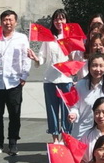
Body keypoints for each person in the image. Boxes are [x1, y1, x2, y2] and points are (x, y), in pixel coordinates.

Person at [0, 10, 31, 157]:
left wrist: (24, 75)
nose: (7, 23)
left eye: (10, 20)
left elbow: (26, 58)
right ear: (1, 22)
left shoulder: (21, 38)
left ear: (15, 22)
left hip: (14, 81)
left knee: (15, 114)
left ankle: (13, 142)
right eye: (5, 20)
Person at [28, 9, 75, 140]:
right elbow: (42, 57)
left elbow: (75, 59)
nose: (59, 22)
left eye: (62, 19)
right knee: (52, 110)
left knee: (67, 110)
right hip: (50, 79)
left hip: (66, 80)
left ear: (66, 20)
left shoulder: (71, 37)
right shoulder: (49, 38)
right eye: (56, 19)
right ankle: (55, 138)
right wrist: (36, 59)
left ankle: (66, 137)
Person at [69, 53, 104, 139]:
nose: (98, 69)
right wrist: (73, 114)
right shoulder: (80, 85)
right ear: (89, 67)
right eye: (94, 66)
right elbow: (75, 107)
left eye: (101, 66)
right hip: (83, 131)